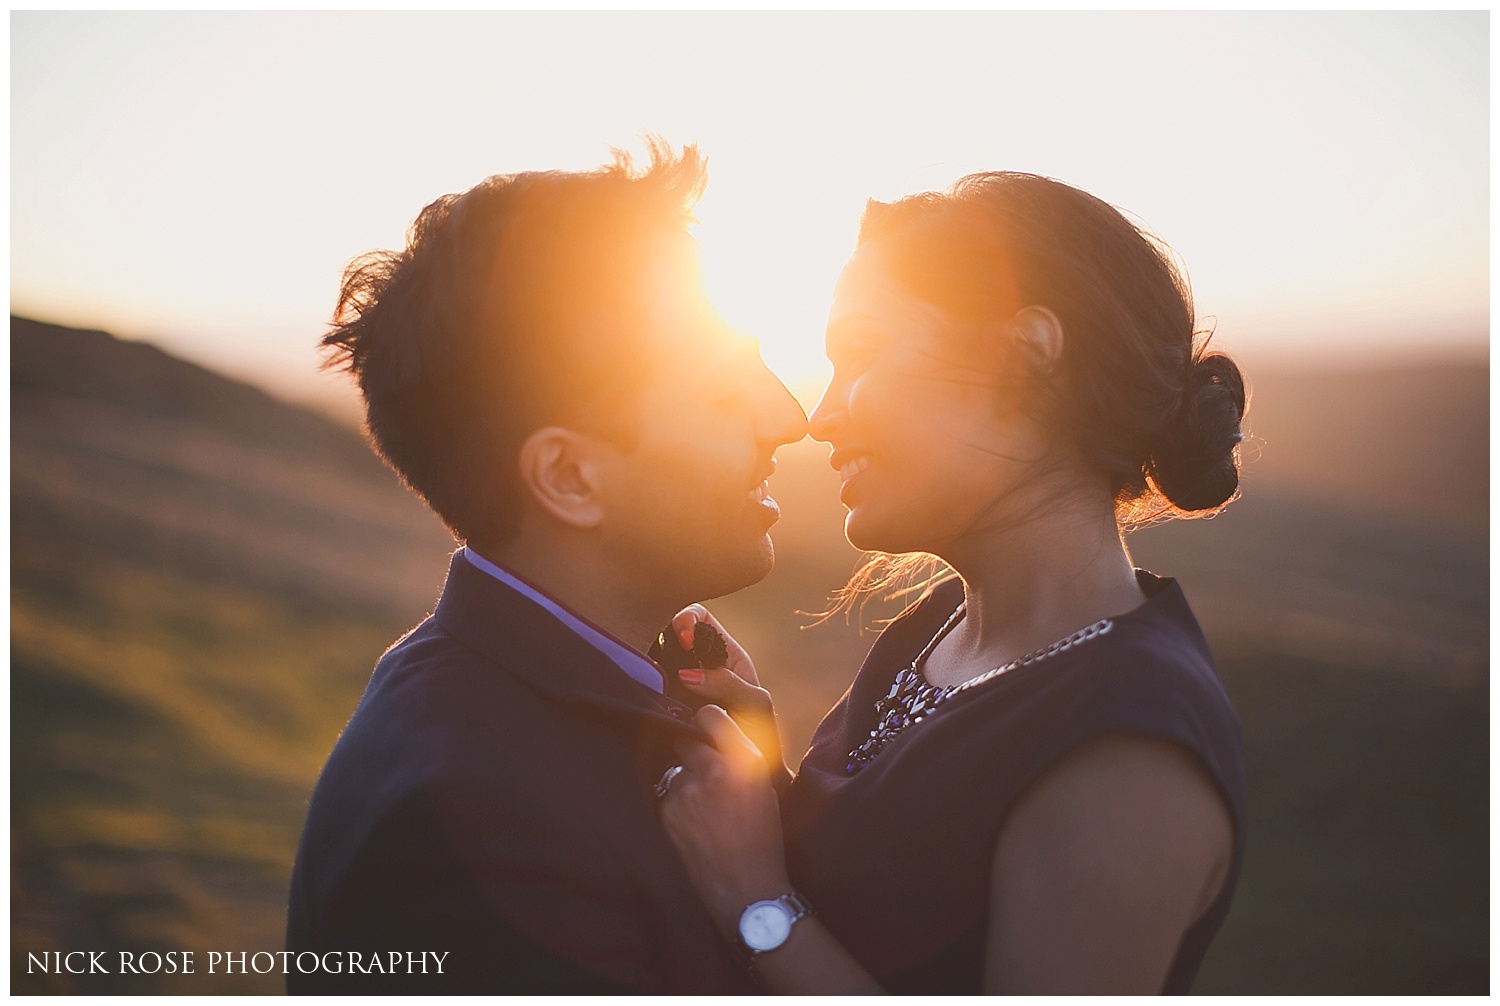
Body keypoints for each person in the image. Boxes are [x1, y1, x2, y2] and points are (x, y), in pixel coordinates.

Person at [655, 171, 1248, 994]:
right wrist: (761, 766)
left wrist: (751, 898)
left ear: (1027, 356)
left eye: (861, 353)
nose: (819, 417)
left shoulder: (1128, 755)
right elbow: (894, 902)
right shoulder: (944, 626)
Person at [285, 141, 808, 993]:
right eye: (721, 391)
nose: (787, 417)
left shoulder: (637, 687)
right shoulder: (469, 822)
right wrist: (768, 910)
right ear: (568, 478)